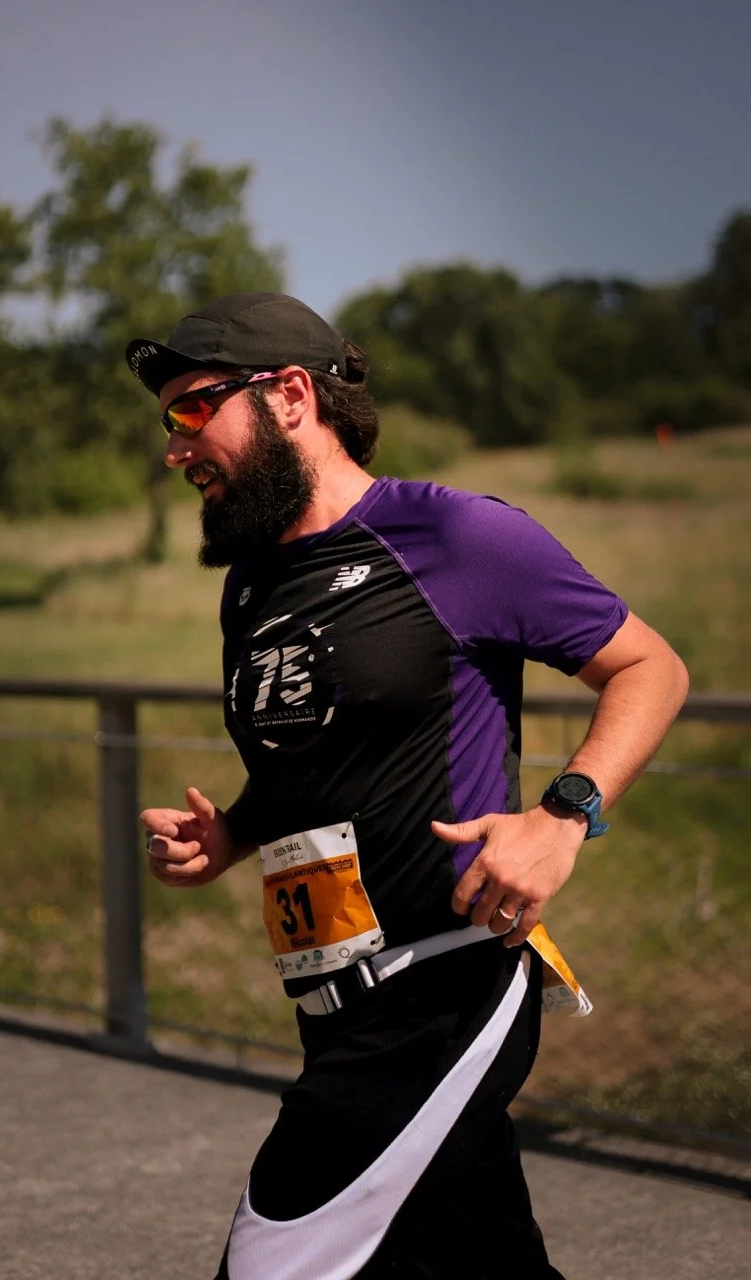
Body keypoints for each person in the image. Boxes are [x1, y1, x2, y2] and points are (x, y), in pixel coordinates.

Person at [127, 292, 689, 1280]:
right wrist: (231, 835)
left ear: (290, 393)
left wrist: (565, 816)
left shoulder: (456, 537)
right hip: (329, 1005)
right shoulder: (252, 581)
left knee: (271, 1262)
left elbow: (650, 668)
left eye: (191, 409)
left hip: (441, 988)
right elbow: (306, 764)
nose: (176, 447)